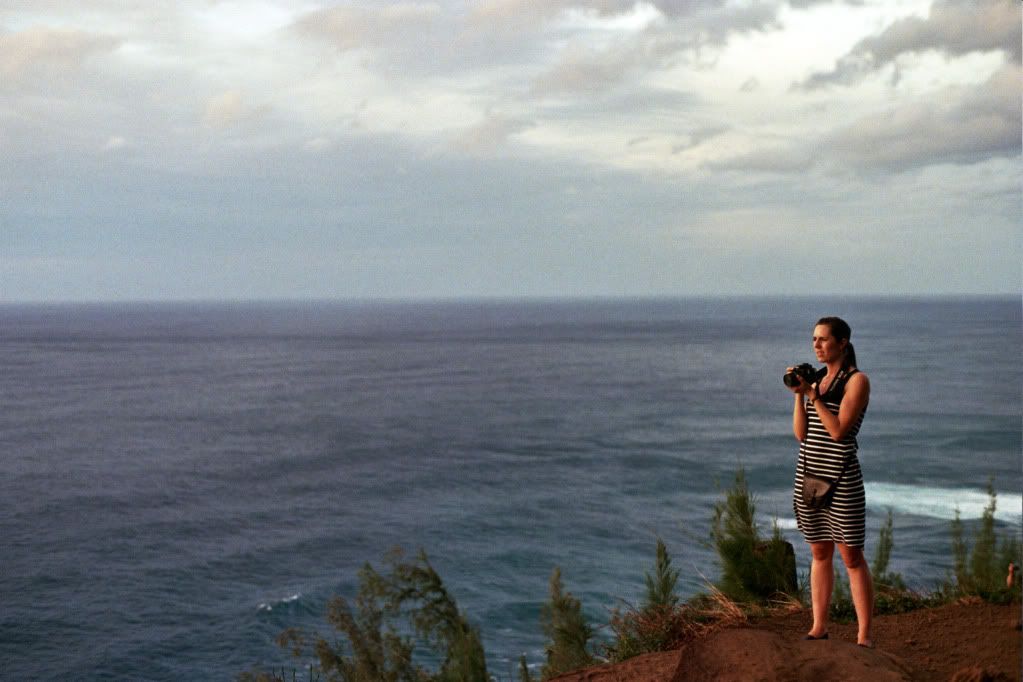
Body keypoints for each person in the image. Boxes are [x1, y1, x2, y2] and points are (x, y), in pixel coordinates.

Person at [787, 316, 874, 648]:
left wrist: (814, 396)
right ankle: (818, 625)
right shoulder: (817, 381)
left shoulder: (857, 381)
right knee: (819, 551)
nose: (817, 345)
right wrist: (800, 394)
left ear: (843, 343)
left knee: (852, 557)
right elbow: (801, 434)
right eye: (814, 340)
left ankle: (864, 635)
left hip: (842, 478)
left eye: (824, 339)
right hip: (808, 475)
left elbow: (838, 432)